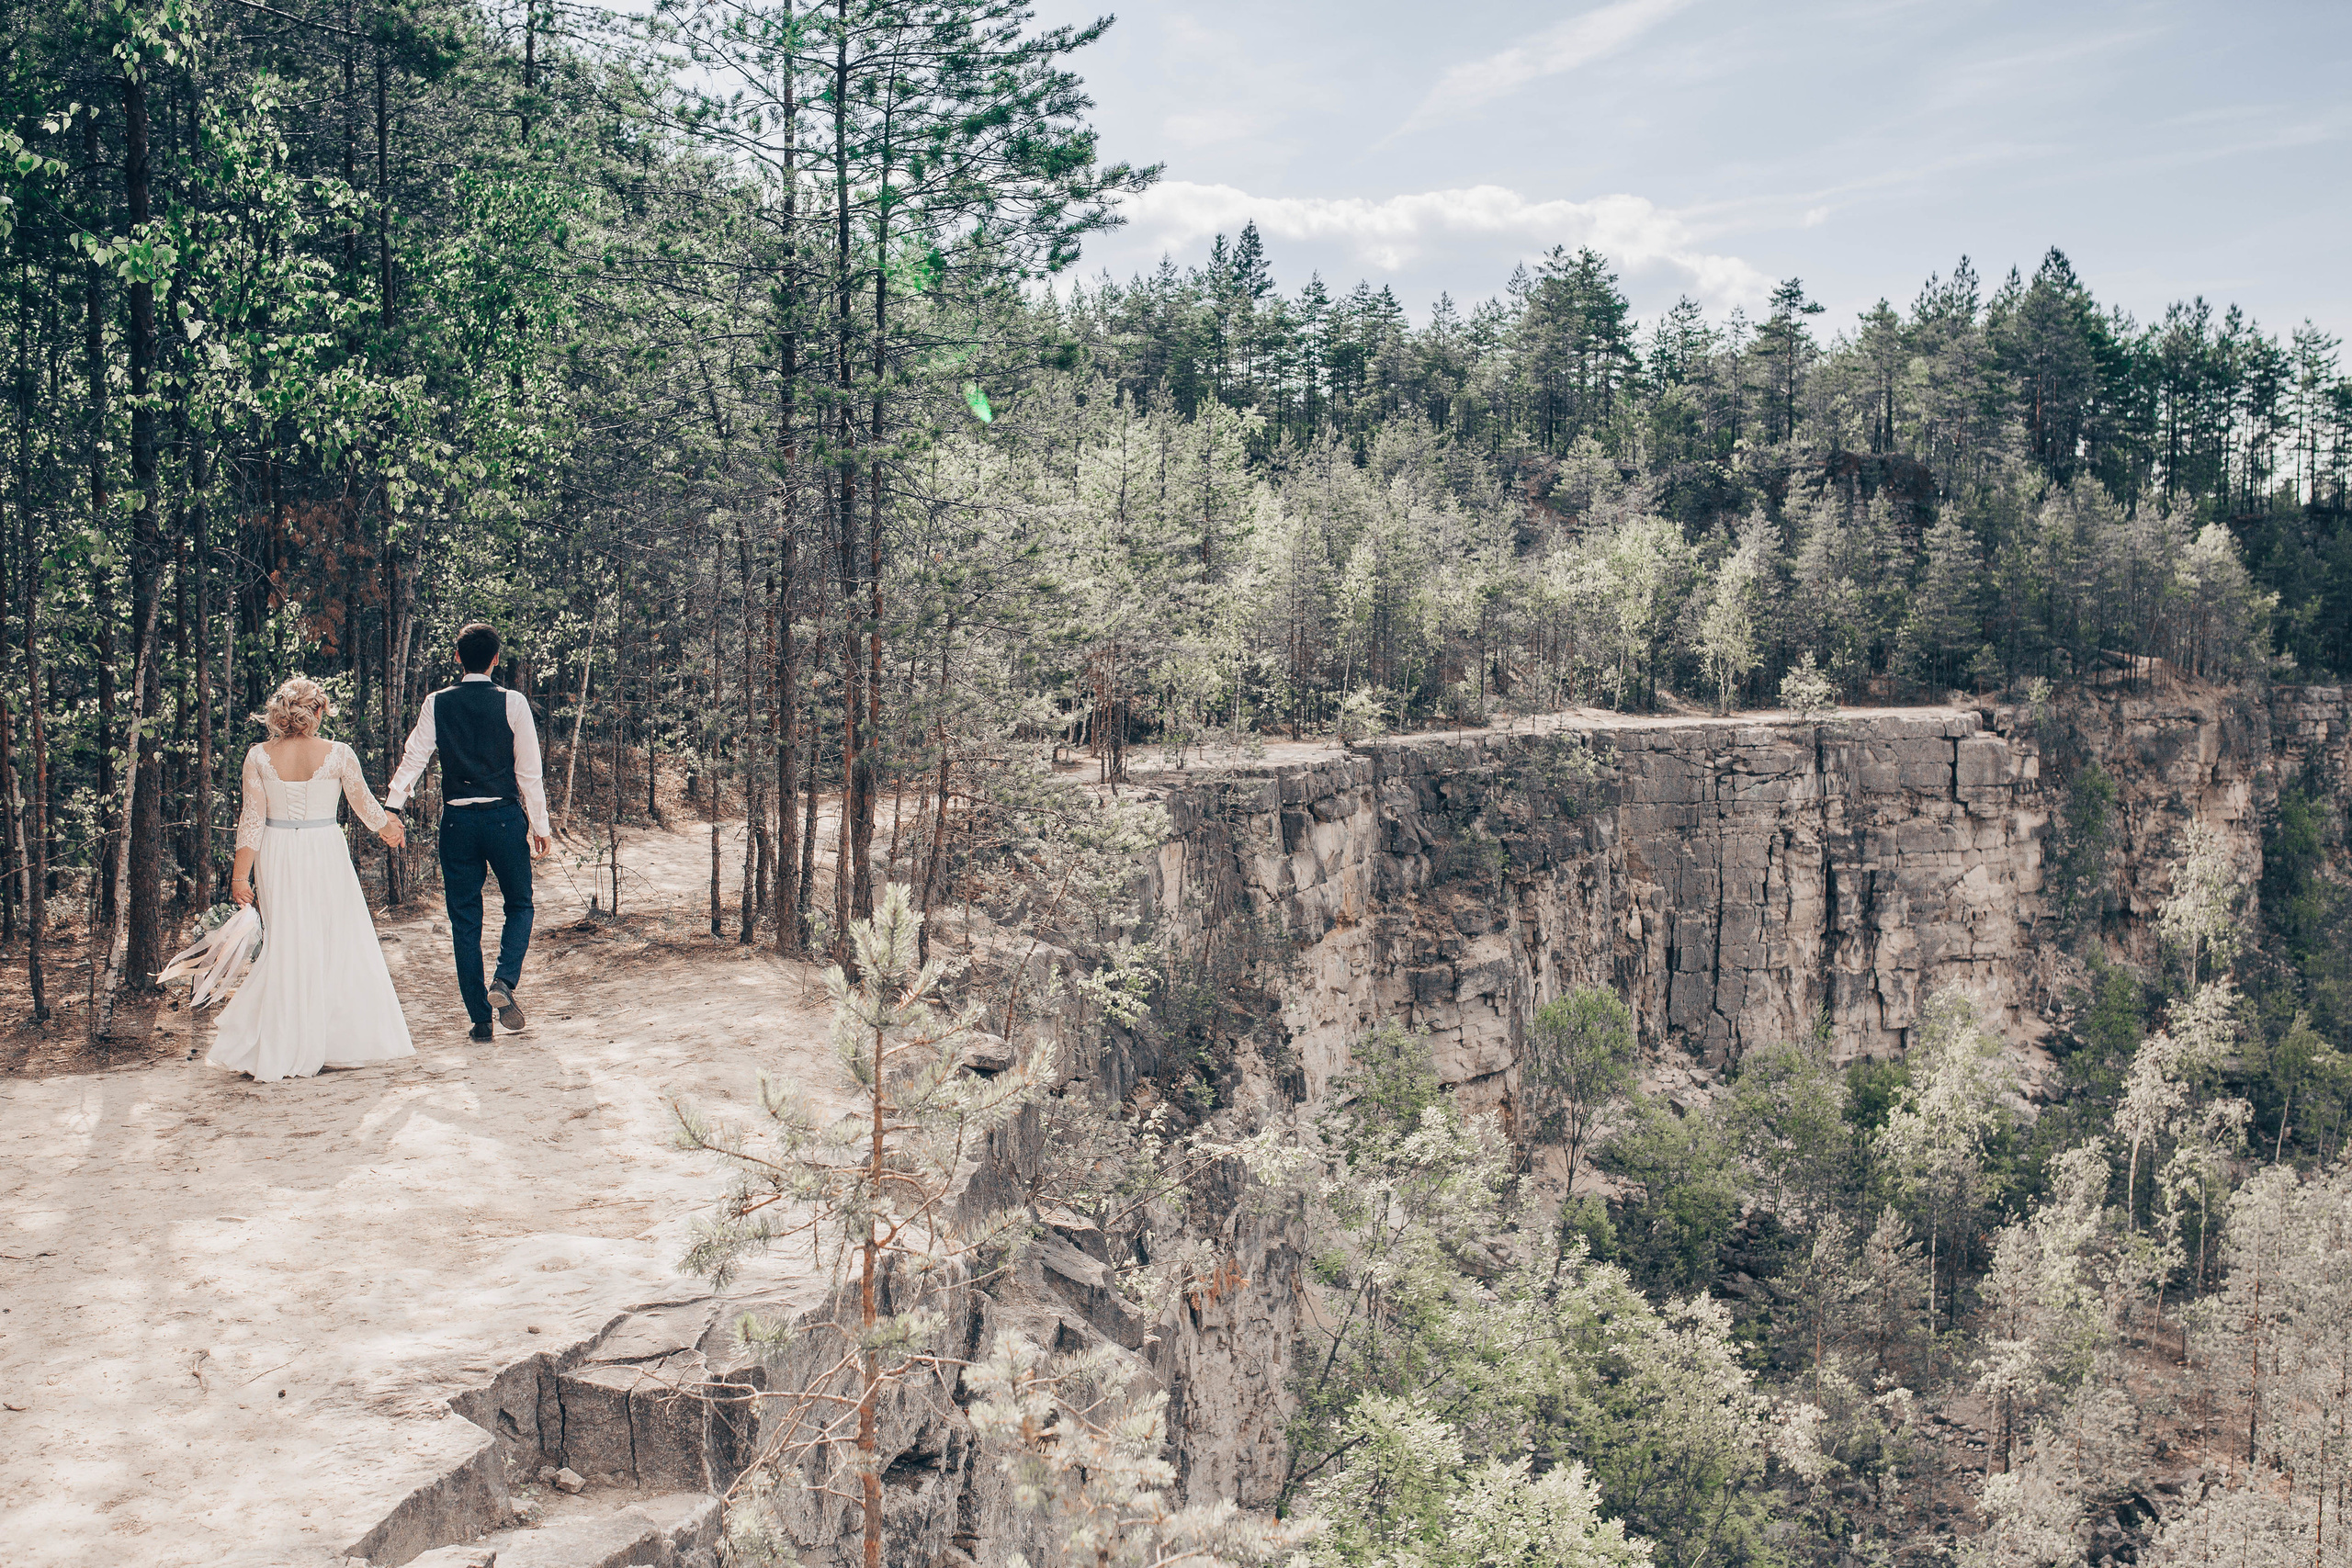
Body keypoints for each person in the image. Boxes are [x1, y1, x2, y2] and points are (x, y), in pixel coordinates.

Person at [209, 677, 414, 1081]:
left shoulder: (258, 756)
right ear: (317, 711)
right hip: (324, 849)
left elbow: (251, 820)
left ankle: (284, 1037)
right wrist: (389, 829)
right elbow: (363, 804)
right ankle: (331, 1037)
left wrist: (239, 876)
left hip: (277, 850)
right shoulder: (339, 753)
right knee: (333, 938)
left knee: (287, 942)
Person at [386, 622, 553, 1043]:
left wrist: (393, 806)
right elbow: (528, 772)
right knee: (520, 904)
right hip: (502, 818)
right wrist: (540, 825)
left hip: (457, 822)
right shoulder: (512, 703)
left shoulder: (437, 703)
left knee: (465, 920)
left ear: (458, 657)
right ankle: (503, 982)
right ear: (496, 659)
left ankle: (480, 1020)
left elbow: (414, 758)